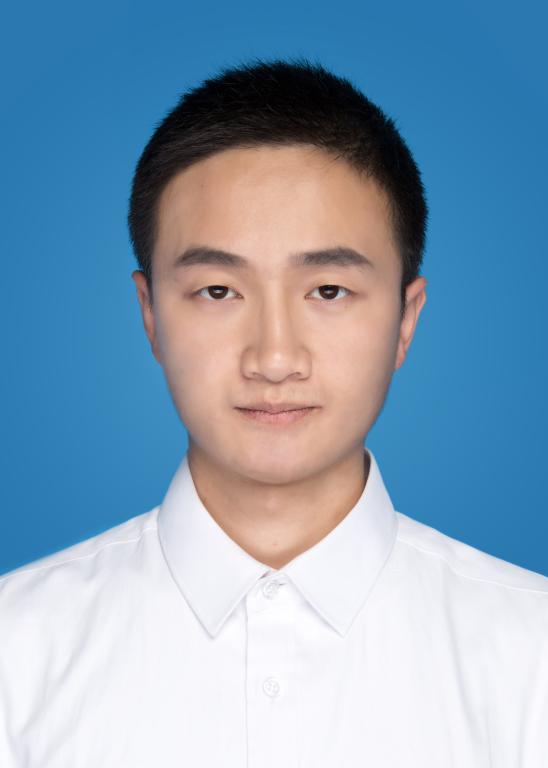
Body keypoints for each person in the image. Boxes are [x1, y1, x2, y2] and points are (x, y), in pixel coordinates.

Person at [1, 58, 546, 767]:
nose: (275, 358)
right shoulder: (17, 653)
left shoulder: (530, 654)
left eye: (328, 291)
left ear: (406, 321)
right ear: (150, 314)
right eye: (218, 291)